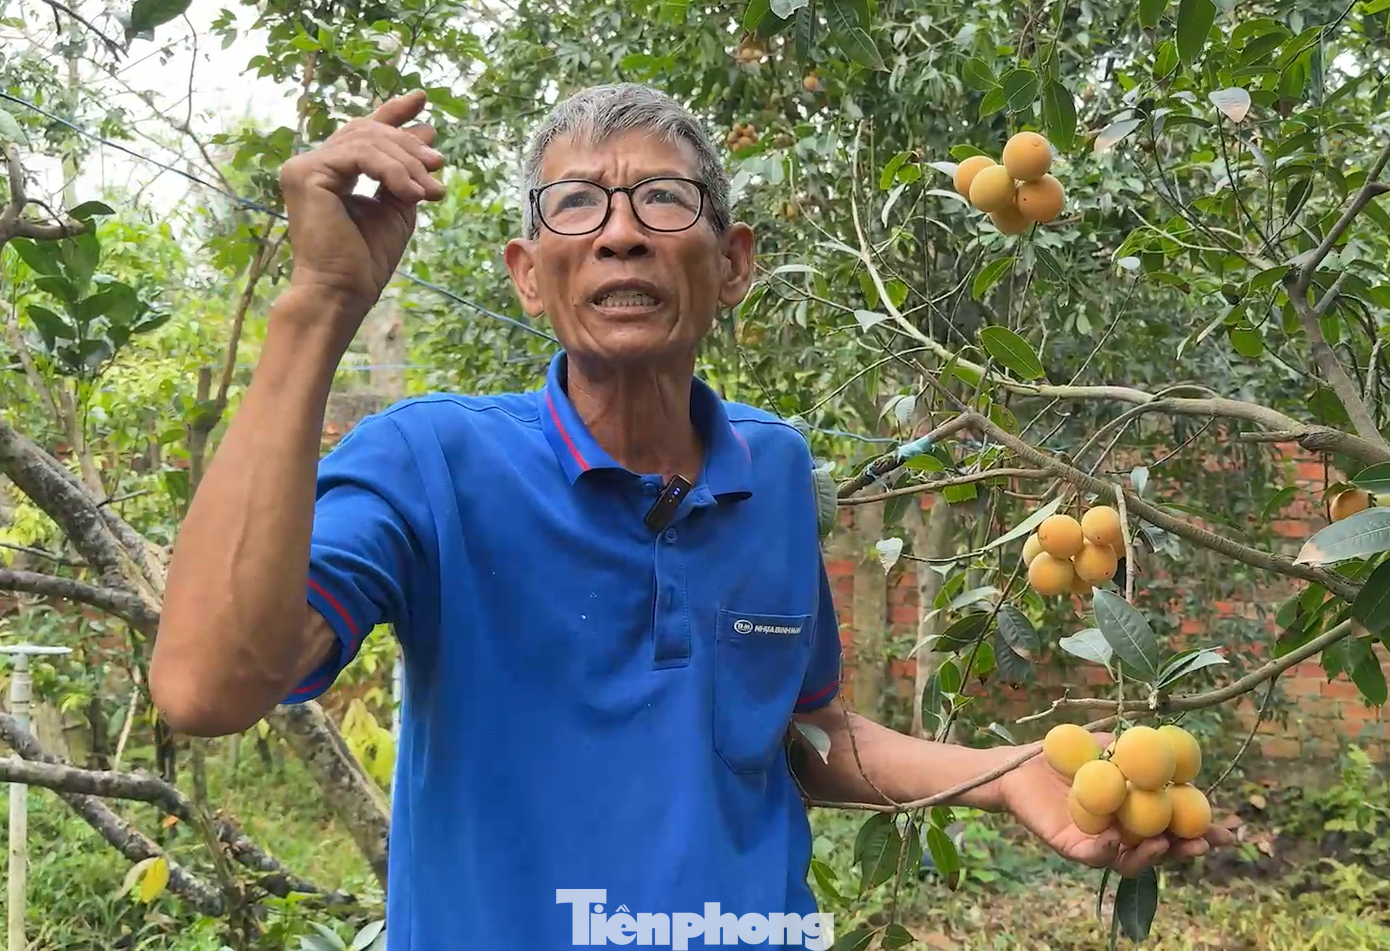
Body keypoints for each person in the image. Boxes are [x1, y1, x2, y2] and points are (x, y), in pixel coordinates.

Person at [150, 83, 1230, 949]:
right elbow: (207, 686)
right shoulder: (431, 463)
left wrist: (1005, 777)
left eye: (663, 201)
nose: (619, 234)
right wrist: (318, 305)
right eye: (575, 205)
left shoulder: (773, 467)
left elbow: (797, 736)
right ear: (529, 275)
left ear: (733, 265)